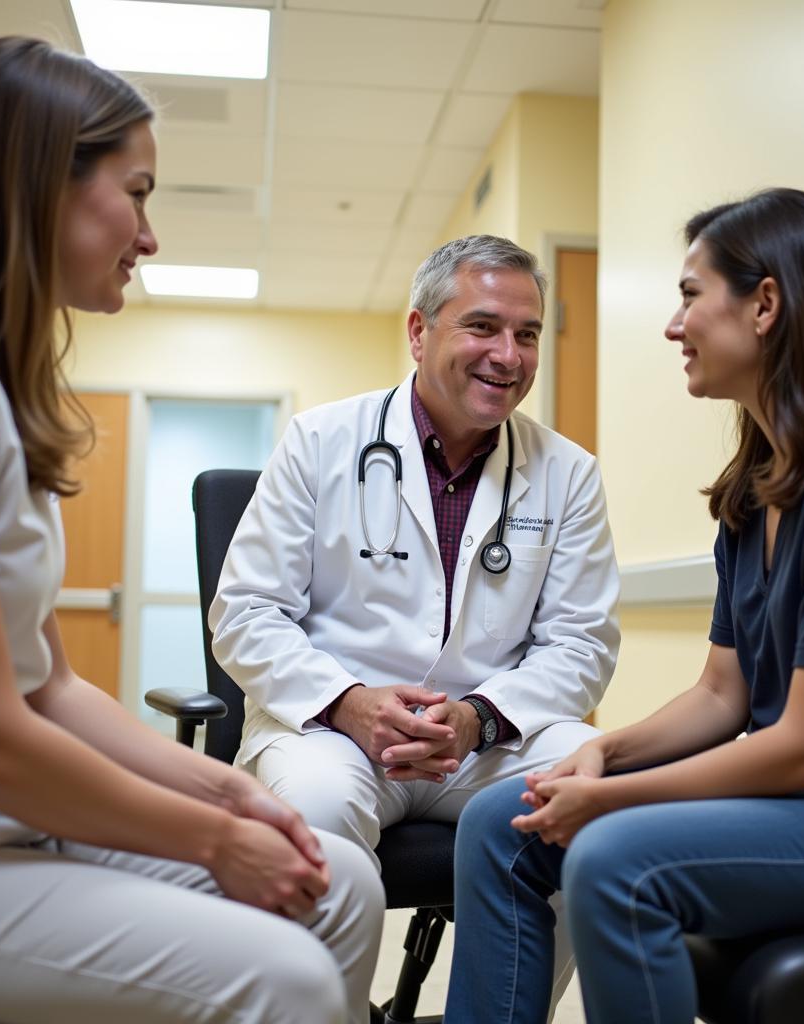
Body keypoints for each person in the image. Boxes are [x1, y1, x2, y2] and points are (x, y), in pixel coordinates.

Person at [0, 36, 383, 1024]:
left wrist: (229, 798)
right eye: (136, 192)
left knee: (337, 880)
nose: (149, 233)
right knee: (286, 975)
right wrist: (208, 837)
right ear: (41, 181)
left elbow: (45, 684)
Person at [441, 188, 804, 1024]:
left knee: (612, 860)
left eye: (688, 296)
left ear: (765, 305)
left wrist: (614, 799)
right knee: (503, 818)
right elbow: (723, 696)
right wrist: (604, 757)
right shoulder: (760, 483)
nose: (673, 327)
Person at [209, 235, 620, 862]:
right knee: (320, 805)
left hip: (489, 741)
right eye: (483, 327)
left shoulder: (569, 472)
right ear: (418, 332)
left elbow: (581, 644)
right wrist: (349, 703)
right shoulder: (320, 441)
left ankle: (501, 968)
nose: (508, 356)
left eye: (528, 334)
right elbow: (246, 613)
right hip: (334, 732)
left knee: (586, 800)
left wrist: (477, 716)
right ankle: (322, 968)